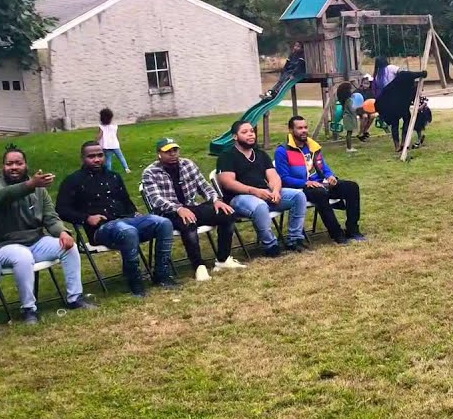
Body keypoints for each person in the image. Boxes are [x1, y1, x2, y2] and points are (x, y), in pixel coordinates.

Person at [0, 144, 95, 324]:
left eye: (18, 163)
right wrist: (30, 184)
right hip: (3, 246)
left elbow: (50, 217)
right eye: (9, 164)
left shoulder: (39, 189)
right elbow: (3, 196)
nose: (14, 167)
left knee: (68, 247)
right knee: (22, 256)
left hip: (35, 241)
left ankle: (75, 298)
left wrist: (62, 232)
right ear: (3, 166)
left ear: (25, 165)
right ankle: (29, 309)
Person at [57, 140, 176, 297]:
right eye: (91, 156)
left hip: (126, 220)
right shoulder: (73, 181)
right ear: (82, 158)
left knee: (163, 223)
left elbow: (126, 201)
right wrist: (86, 218)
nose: (97, 159)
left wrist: (134, 213)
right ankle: (135, 282)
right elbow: (61, 210)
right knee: (128, 231)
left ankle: (162, 275)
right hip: (100, 229)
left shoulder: (114, 176)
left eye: (100, 155)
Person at [141, 137, 246, 282]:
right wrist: (178, 209)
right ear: (159, 154)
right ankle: (199, 266)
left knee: (227, 213)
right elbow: (156, 200)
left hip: (192, 206)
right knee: (188, 222)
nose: (173, 154)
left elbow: (204, 187)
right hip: (168, 213)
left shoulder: (187, 164)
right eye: (168, 152)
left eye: (175, 150)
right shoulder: (150, 173)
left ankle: (223, 259)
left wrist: (215, 200)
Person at [217, 120, 308, 257]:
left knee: (298, 196)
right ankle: (271, 246)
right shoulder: (227, 156)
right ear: (235, 137)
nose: (250, 135)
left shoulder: (260, 154)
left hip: (265, 193)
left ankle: (295, 239)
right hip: (240, 198)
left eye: (252, 131)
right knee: (260, 206)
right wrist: (254, 191)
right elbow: (228, 182)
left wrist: (276, 190)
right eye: (245, 132)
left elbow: (274, 177)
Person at [276, 116, 365, 245]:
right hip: (301, 188)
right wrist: (305, 183)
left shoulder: (312, 146)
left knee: (352, 187)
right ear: (291, 130)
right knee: (320, 193)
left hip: (320, 183)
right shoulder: (282, 151)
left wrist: (330, 176)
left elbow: (323, 166)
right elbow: (283, 179)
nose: (304, 131)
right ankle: (337, 234)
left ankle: (353, 230)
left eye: (305, 127)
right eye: (300, 128)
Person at [97, 108, 130, 174]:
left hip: (106, 146)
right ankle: (126, 168)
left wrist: (96, 141)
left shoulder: (101, 127)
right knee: (121, 157)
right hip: (115, 144)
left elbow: (100, 135)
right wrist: (118, 141)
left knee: (108, 159)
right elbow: (117, 135)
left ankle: (108, 171)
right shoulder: (114, 126)